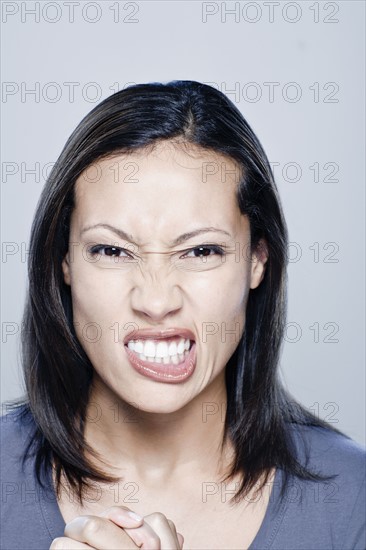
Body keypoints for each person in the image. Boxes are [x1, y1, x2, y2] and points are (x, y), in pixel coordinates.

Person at [1, 80, 365, 550]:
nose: (155, 302)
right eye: (112, 250)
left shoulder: (353, 501)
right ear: (64, 261)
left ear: (257, 260)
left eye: (200, 251)